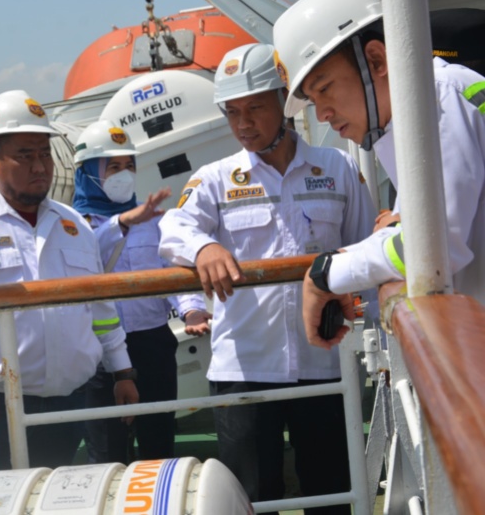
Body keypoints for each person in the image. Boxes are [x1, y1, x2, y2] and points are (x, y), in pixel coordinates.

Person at [158, 43, 375, 513]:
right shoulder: (215, 178)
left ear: (285, 102)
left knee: (332, 493)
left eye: (255, 107)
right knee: (249, 501)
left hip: (325, 363)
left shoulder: (337, 168)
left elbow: (366, 248)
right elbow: (173, 228)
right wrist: (204, 247)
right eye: (232, 112)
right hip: (243, 369)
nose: (243, 124)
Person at [0, 90, 139, 471]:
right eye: (25, 155)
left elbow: (99, 306)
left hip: (68, 404)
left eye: (44, 153)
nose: (40, 166)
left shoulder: (73, 226)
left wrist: (123, 371)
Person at [272, 0, 485, 349]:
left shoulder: (437, 100)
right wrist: (341, 259)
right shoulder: (413, 116)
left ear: (376, 60)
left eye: (324, 89)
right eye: (312, 99)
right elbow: (409, 232)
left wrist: (327, 273)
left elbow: (432, 247)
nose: (321, 114)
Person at [71, 120, 211, 464]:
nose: (124, 174)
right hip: (100, 353)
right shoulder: (71, 224)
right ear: (88, 173)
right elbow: (89, 256)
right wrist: (122, 223)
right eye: (113, 167)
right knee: (107, 449)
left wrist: (191, 309)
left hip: (153, 344)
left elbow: (171, 272)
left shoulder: (155, 220)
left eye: (129, 166)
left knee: (158, 441)